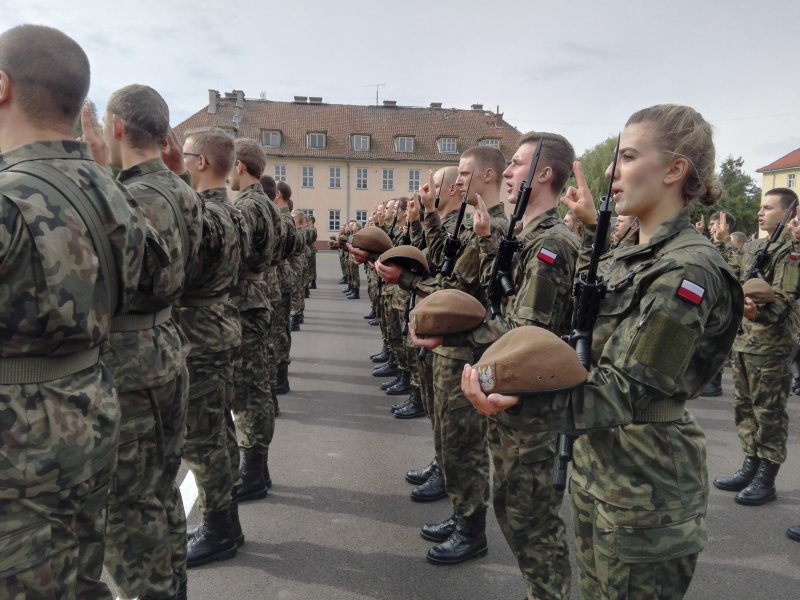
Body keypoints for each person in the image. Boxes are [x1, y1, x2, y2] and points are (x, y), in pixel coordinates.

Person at [462, 104, 743, 598]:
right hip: (602, 467)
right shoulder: (630, 256)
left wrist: (515, 403)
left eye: (628, 157)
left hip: (646, 485)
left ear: (675, 169)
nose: (611, 172)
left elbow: (625, 391)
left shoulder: (686, 271)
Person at [0, 24, 150, 599]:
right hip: (88, 406)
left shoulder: (10, 195)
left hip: (19, 443)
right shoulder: (112, 189)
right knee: (81, 577)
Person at [413, 133, 579, 598]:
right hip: (506, 386)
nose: (507, 171)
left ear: (543, 174)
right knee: (515, 512)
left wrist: (452, 334)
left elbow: (525, 333)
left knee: (533, 524)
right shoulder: (521, 235)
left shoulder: (551, 243)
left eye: (517, 164)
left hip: (531, 396)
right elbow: (492, 294)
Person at [82, 84, 202, 600]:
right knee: (158, 490)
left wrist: (95, 176)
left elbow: (119, 278)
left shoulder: (130, 195)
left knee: (128, 509)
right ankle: (172, 586)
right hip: (166, 346)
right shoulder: (180, 188)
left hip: (131, 362)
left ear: (114, 128)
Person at [375, 146, 509, 564]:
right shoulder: (474, 224)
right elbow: (442, 265)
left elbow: (455, 287)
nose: (459, 183)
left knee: (464, 444)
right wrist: (428, 222)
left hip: (467, 346)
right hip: (451, 342)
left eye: (465, 174)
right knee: (449, 437)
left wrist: (407, 281)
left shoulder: (492, 227)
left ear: (487, 176)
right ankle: (460, 513)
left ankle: (471, 529)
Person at [178, 127, 244, 567]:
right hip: (215, 327)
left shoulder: (206, 213)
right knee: (217, 431)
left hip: (200, 334)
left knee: (203, 439)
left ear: (200, 162)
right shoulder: (228, 210)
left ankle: (219, 528)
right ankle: (226, 522)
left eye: (185, 156)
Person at [713, 188, 800, 506]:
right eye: (760, 207)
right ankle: (750, 465)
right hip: (743, 342)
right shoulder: (753, 246)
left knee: (769, 413)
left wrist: (756, 312)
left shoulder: (792, 251)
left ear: (787, 213)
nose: (760, 212)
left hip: (770, 346)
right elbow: (731, 273)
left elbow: (785, 299)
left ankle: (766, 477)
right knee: (745, 408)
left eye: (768, 207)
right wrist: (721, 243)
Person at [229, 138, 275, 502]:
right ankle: (258, 469)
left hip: (244, 300)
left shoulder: (246, 206)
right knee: (255, 386)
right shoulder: (265, 203)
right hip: (256, 296)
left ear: (240, 166)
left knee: (248, 392)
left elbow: (231, 258)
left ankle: (253, 472)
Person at [701, 210, 738, 397]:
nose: (710, 227)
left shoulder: (731, 248)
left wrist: (720, 243)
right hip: (710, 299)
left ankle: (714, 383)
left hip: (722, 303)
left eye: (714, 224)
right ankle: (705, 380)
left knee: (714, 343)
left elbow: (726, 270)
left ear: (725, 227)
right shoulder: (712, 244)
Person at [273, 180, 297, 392]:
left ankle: (280, 379)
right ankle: (281, 377)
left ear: (278, 194)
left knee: (279, 329)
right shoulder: (287, 218)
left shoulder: (282, 219)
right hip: (283, 276)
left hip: (279, 277)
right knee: (281, 328)